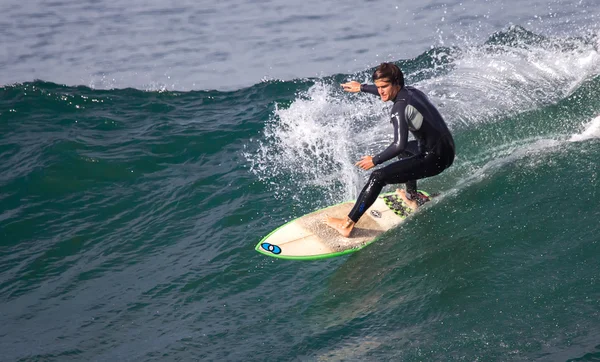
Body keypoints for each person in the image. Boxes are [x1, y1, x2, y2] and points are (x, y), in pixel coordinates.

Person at [325, 62, 455, 237]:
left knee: (378, 177)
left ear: (397, 83)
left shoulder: (399, 108)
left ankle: (347, 224)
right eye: (378, 87)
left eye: (384, 86)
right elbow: (402, 147)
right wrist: (361, 87)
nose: (380, 91)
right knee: (405, 153)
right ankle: (412, 197)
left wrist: (375, 160)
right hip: (446, 149)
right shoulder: (412, 92)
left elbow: (398, 144)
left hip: (435, 159)